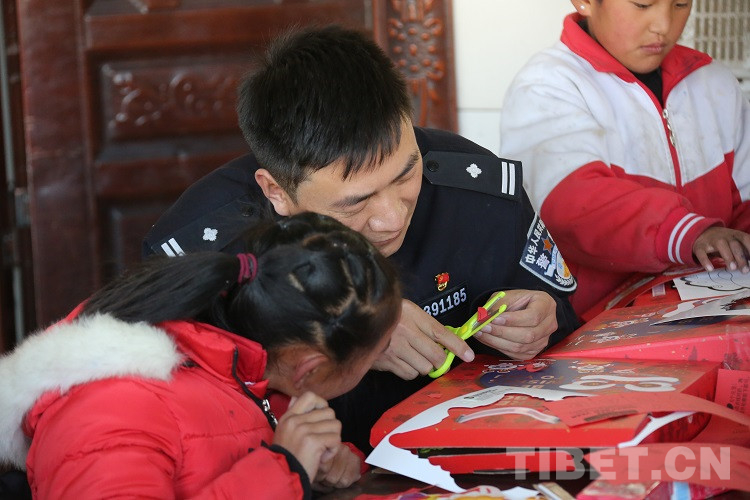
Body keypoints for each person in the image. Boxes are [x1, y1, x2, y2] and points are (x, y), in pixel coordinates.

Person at [143, 25, 580, 453]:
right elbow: (180, 418)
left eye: (406, 174)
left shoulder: (475, 185)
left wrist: (543, 319)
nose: (392, 218)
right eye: (356, 202)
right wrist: (360, 333)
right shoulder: (200, 252)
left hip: (480, 452)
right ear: (277, 191)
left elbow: (563, 315)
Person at [0, 212, 402, 498]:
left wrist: (322, 467)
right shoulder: (111, 411)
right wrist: (285, 469)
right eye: (378, 353)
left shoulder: (249, 370)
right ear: (308, 368)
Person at [499, 0, 750, 318]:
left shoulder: (714, 83)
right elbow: (573, 205)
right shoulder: (546, 85)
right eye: (642, 4)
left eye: (680, 4)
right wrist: (687, 232)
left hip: (716, 310)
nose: (663, 25)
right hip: (596, 324)